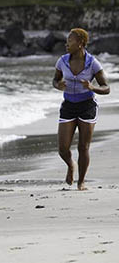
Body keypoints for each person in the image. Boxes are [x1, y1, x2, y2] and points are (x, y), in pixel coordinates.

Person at [52, 28, 110, 191]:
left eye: (70, 41)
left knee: (83, 147)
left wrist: (93, 87)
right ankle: (71, 165)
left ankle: (81, 182)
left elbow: (106, 88)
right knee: (63, 149)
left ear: (80, 43)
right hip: (69, 106)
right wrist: (58, 86)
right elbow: (55, 80)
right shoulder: (62, 61)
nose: (66, 44)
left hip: (87, 106)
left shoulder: (93, 63)